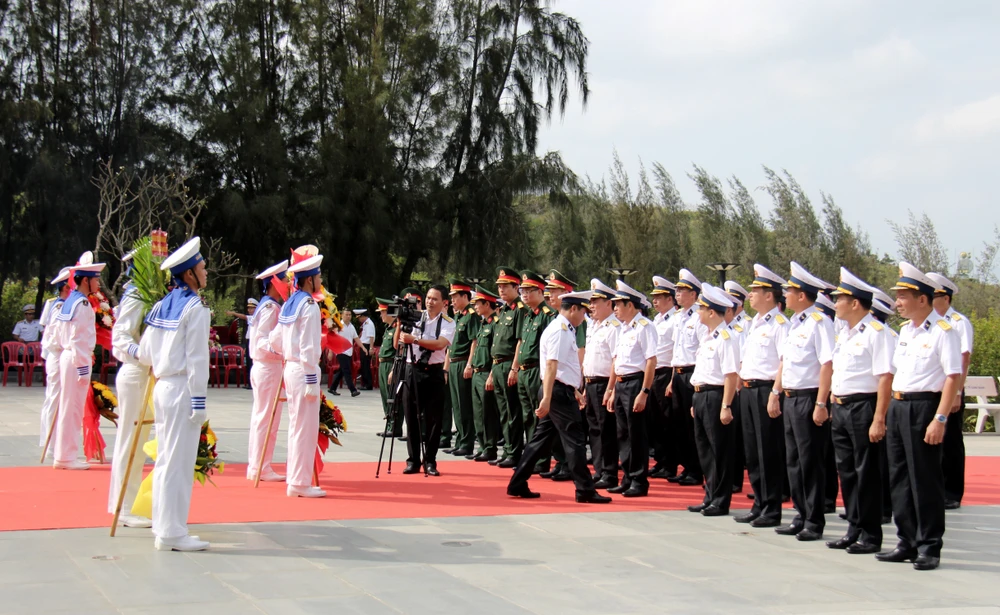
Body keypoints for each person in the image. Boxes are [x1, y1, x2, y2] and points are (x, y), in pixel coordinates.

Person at [876, 262, 963, 571]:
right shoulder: (905, 332)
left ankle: (929, 546)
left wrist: (940, 419)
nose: (897, 302)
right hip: (900, 408)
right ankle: (907, 540)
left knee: (924, 479)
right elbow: (894, 374)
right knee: (899, 478)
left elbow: (953, 376)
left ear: (922, 299)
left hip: (924, 407)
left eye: (902, 296)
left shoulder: (943, 332)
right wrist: (883, 414)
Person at [138, 237, 211, 551]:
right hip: (182, 389)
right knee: (178, 463)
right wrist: (199, 401)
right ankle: (172, 532)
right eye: (201, 267)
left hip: (162, 386)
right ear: (190, 274)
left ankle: (164, 526)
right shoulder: (195, 308)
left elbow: (143, 354)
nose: (205, 271)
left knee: (166, 460)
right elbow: (197, 359)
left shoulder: (160, 305)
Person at [508, 290, 612, 504]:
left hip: (557, 389)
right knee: (575, 441)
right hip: (555, 392)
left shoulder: (563, 328)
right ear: (573, 308)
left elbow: (562, 367)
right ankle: (584, 489)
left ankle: (517, 482)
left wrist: (572, 389)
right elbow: (551, 365)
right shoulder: (561, 331)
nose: (585, 316)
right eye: (583, 311)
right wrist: (547, 398)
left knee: (539, 440)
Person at [826, 268, 894, 555]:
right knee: (848, 472)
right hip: (841, 407)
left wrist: (879, 418)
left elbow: (885, 378)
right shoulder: (846, 333)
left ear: (855, 303)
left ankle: (870, 533)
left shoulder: (877, 333)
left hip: (864, 407)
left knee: (867, 472)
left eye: (840, 298)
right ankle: (854, 527)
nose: (835, 303)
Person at [771, 261, 836, 542]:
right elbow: (785, 362)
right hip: (790, 396)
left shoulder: (820, 322)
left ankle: (814, 519)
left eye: (790, 291)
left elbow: (827, 364)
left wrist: (821, 404)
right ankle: (800, 514)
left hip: (809, 398)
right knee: (794, 460)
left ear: (802, 295)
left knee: (811, 462)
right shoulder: (795, 324)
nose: (784, 295)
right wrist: (776, 392)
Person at [735, 264, 790, 528]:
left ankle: (772, 507)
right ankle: (759, 502)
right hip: (748, 389)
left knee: (768, 451)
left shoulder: (780, 324)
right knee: (753, 452)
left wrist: (775, 393)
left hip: (766, 389)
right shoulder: (754, 323)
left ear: (770, 295)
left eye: (755, 290)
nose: (750, 295)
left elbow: (784, 361)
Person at [271, 251, 326, 498]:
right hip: (304, 371)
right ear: (310, 280)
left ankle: (296, 480)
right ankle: (300, 482)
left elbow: (275, 341)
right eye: (318, 276)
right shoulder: (309, 306)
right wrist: (313, 380)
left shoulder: (290, 303)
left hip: (290, 368)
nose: (320, 281)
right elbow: (309, 347)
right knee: (305, 428)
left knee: (296, 426)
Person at [108, 250, 154, 528]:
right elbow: (121, 337)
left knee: (140, 443)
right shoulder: (136, 294)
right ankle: (124, 506)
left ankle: (130, 502)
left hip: (147, 373)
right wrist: (144, 354)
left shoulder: (148, 293)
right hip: (136, 372)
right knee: (131, 442)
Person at [687, 284, 740, 516]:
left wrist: (726, 405)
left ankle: (720, 499)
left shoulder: (725, 338)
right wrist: (695, 400)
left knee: (720, 451)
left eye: (701, 308)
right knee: (705, 451)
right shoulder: (708, 338)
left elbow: (731, 374)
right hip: (701, 395)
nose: (697, 312)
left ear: (711, 312)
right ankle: (709, 495)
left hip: (716, 396)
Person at [604, 280, 658, 497]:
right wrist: (613, 390)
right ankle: (627, 477)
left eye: (618, 304)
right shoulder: (623, 329)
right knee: (623, 434)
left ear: (630, 305)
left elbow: (651, 361)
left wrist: (644, 392)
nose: (615, 308)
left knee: (637, 434)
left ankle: (639, 480)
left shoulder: (644, 327)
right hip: (622, 383)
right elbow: (617, 363)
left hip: (636, 382)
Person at [51, 252, 106, 470]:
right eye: (95, 279)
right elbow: (79, 339)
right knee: (72, 409)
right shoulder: (82, 304)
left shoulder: (71, 300)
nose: (98, 283)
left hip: (68, 357)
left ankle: (63, 455)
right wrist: (84, 368)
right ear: (86, 280)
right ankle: (67, 457)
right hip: (76, 359)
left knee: (68, 407)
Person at [398, 284, 456, 476]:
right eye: (428, 298)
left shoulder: (448, 322)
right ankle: (413, 460)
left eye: (435, 299)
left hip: (434, 372)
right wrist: (400, 323)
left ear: (444, 302)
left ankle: (430, 460)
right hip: (412, 369)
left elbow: (440, 344)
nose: (430, 302)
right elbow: (397, 343)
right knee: (411, 416)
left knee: (434, 419)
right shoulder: (416, 317)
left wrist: (414, 340)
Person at [926, 272, 971, 511]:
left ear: (946, 297)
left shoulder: (958, 322)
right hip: (933, 393)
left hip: (951, 391)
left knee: (952, 442)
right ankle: (937, 488)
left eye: (934, 295)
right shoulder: (928, 324)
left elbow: (963, 360)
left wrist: (957, 393)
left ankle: (952, 492)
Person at [246, 260, 289, 482]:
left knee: (263, 418)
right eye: (284, 280)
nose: (288, 285)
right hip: (268, 366)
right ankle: (260, 467)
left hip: (266, 367)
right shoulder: (271, 308)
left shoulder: (266, 305)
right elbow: (262, 340)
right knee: (267, 419)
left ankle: (257, 466)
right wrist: (280, 349)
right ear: (274, 283)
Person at [667, 268, 708, 486]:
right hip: (679, 374)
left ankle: (696, 469)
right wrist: (672, 378)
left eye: (682, 290)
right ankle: (686, 466)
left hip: (693, 373)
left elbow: (701, 351)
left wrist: (696, 379)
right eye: (677, 290)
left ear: (693, 294)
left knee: (693, 426)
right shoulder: (679, 317)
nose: (678, 294)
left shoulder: (700, 316)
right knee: (679, 424)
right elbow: (676, 351)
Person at [515, 271, 557, 472]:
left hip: (535, 372)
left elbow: (549, 350)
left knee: (539, 417)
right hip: (523, 372)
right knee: (527, 417)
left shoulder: (548, 316)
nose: (523, 294)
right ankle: (531, 459)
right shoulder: (528, 315)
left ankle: (541, 461)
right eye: (521, 290)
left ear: (540, 292)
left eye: (528, 290)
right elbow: (521, 343)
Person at [583, 279, 622, 489]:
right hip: (590, 383)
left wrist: (611, 388)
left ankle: (610, 472)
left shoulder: (614, 327)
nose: (591, 306)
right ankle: (599, 470)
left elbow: (616, 360)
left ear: (609, 303)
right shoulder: (594, 326)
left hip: (604, 383)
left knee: (607, 430)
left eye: (596, 301)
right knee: (595, 431)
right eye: (591, 301)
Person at [491, 267, 526, 467]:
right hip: (497, 365)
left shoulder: (519, 310)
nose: (501, 290)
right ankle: (508, 450)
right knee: (503, 411)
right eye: (499, 287)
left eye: (506, 286)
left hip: (508, 364)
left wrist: (514, 368)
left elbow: (520, 341)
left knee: (513, 411)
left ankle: (514, 452)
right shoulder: (504, 310)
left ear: (516, 287)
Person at [648, 275, 678, 480]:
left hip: (667, 372)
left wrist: (672, 380)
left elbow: (678, 350)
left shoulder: (676, 319)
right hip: (654, 374)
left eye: (659, 297)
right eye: (654, 297)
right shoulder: (656, 320)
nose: (655, 301)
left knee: (669, 422)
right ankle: (660, 460)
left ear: (670, 298)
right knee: (656, 421)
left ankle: (670, 463)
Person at [467, 286, 502, 462]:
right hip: (477, 372)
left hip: (487, 372)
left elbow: (495, 353)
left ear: (487, 304)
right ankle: (482, 445)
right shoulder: (483, 323)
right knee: (478, 413)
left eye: (478, 304)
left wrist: (491, 375)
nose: (475, 307)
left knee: (488, 413)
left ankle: (490, 447)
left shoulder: (496, 323)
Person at [444, 279, 478, 457]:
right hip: (454, 362)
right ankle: (459, 440)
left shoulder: (471, 316)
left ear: (465, 296)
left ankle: (467, 442)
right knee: (456, 405)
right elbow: (450, 344)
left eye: (455, 297)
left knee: (465, 405)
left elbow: (474, 341)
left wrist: (470, 364)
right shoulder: (457, 316)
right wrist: (446, 366)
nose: (453, 301)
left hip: (464, 362)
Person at [39, 268, 71, 451]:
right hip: (57, 355)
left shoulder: (60, 305)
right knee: (55, 399)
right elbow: (56, 337)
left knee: (55, 398)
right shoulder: (58, 306)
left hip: (57, 355)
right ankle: (51, 444)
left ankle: (51, 442)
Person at [723, 280, 749, 493]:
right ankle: (728, 476)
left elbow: (742, 359)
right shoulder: (727, 328)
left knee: (737, 437)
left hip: (739, 386)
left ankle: (735, 479)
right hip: (728, 386)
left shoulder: (744, 325)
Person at [375, 298, 402, 438]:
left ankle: (395, 426)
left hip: (391, 364)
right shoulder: (388, 329)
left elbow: (398, 349)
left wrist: (393, 369)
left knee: (392, 396)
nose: (381, 315)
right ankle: (389, 424)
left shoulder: (397, 327)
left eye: (382, 312)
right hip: (383, 363)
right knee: (386, 396)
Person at [329, 310, 360, 397]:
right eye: (346, 314)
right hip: (340, 351)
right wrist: (331, 352)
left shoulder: (351, 326)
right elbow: (332, 339)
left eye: (350, 315)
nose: (348, 316)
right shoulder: (338, 326)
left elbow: (356, 338)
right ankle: (353, 390)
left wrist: (364, 348)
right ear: (342, 315)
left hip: (349, 352)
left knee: (342, 371)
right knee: (347, 371)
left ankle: (332, 388)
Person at [355, 309, 376, 390]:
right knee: (363, 365)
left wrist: (371, 348)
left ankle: (368, 384)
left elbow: (371, 336)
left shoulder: (369, 324)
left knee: (366, 366)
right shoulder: (365, 324)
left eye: (359, 317)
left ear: (363, 316)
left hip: (367, 346)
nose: (359, 319)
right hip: (364, 345)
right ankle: (364, 384)